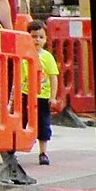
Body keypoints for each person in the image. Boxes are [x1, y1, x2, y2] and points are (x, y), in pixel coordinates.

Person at [32, 22, 60, 165]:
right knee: (23, 122)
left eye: (41, 37)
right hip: (26, 94)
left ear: (45, 38)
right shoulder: (24, 54)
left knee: (43, 124)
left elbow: (53, 76)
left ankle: (43, 152)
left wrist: (53, 97)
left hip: (43, 96)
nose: (37, 40)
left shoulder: (47, 57)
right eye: (34, 36)